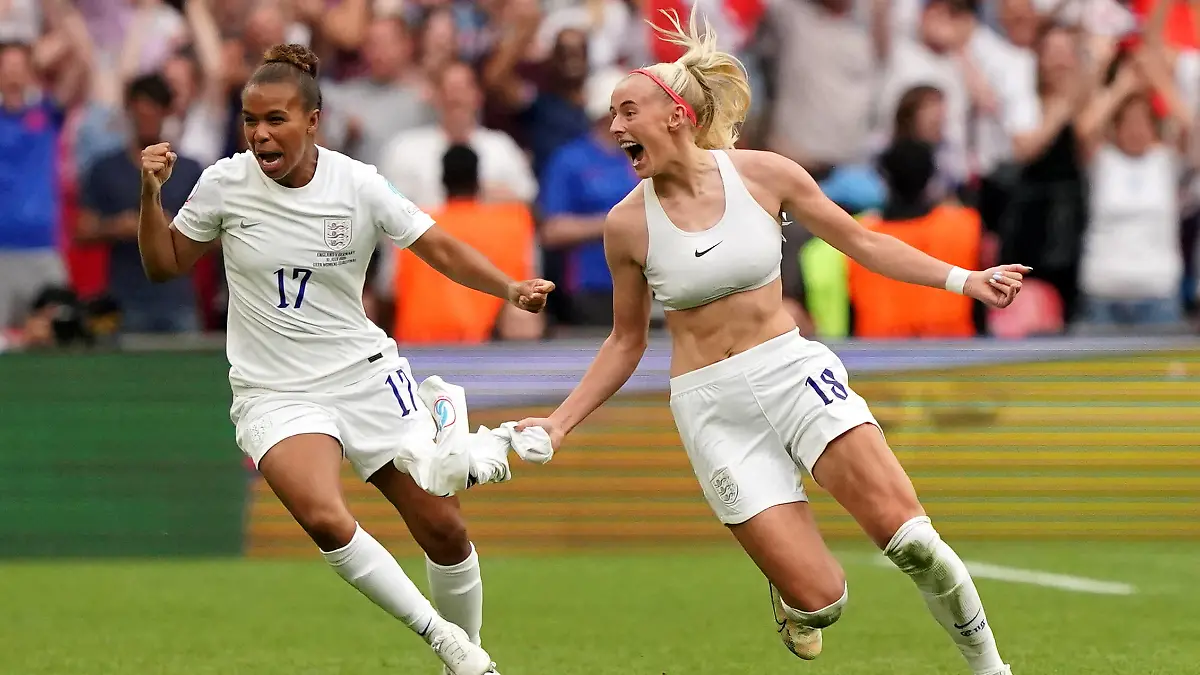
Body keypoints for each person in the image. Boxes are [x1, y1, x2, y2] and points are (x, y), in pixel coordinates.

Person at [516, 10, 1024, 675]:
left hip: (792, 371)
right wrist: (558, 425)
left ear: (676, 115)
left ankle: (992, 667)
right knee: (824, 600)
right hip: (711, 408)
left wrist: (967, 279)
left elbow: (863, 241)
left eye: (628, 111)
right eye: (612, 115)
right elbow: (625, 341)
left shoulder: (764, 175)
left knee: (914, 543)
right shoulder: (624, 226)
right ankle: (796, 598)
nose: (615, 128)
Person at [137, 43, 555, 675]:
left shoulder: (358, 184)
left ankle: (461, 661)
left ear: (313, 120)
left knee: (444, 529)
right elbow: (161, 264)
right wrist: (150, 194)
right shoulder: (224, 183)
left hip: (363, 375)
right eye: (250, 120)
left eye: (275, 119)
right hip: (274, 391)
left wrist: (509, 287)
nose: (259, 134)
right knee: (324, 516)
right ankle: (449, 644)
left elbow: (436, 245)